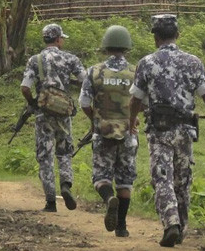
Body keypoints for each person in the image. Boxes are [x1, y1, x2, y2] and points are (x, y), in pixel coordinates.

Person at [128, 14, 205, 247]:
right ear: (178, 35)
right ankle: (181, 227)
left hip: (158, 130)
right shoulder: (193, 62)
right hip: (185, 129)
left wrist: (132, 120)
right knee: (182, 179)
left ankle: (171, 223)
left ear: (155, 38)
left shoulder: (146, 63)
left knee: (162, 177)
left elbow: (135, 99)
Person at [21, 23, 88, 213]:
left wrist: (33, 103)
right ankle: (66, 184)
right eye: (62, 38)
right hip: (64, 113)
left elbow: (25, 87)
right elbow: (85, 80)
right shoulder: (71, 59)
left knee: (45, 156)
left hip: (43, 114)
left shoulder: (35, 60)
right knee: (65, 151)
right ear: (58, 39)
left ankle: (51, 201)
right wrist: (69, 82)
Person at [81, 25, 138, 238]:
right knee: (125, 179)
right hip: (128, 132)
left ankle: (108, 199)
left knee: (101, 176)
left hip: (102, 131)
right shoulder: (135, 72)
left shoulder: (94, 71)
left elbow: (84, 102)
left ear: (106, 46)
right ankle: (122, 227)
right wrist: (133, 118)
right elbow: (143, 101)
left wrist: (94, 119)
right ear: (127, 47)